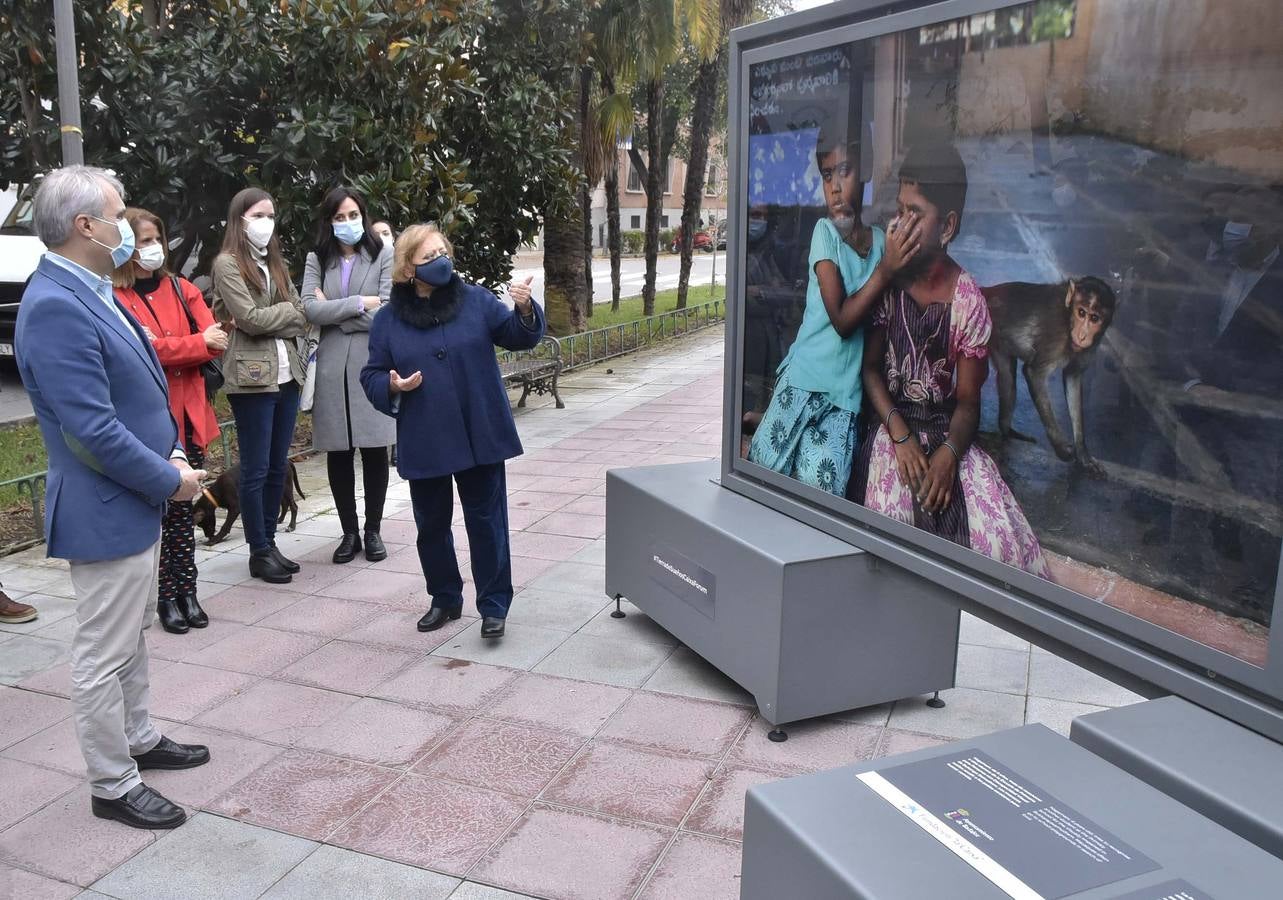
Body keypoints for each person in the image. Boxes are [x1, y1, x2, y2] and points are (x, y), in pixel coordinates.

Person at [15, 166, 209, 830]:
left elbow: (136, 394)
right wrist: (168, 478)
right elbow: (90, 431)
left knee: (132, 637)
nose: (128, 225)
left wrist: (171, 450)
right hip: (106, 504)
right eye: (118, 214)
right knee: (104, 651)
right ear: (85, 226)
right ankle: (112, 780)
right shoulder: (55, 305)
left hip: (131, 494)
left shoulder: (90, 288)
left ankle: (140, 737)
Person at [852, 144, 1049, 578]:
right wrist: (900, 436)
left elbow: (967, 405)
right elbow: (870, 370)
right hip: (894, 427)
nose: (901, 224)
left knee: (994, 544)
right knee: (889, 521)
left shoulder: (968, 303)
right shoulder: (887, 284)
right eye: (899, 211)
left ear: (948, 227)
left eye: (916, 213)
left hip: (945, 435)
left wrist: (949, 453)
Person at [361, 223, 544, 638]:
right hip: (426, 435)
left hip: (480, 432)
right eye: (429, 257)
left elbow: (517, 336)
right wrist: (391, 384)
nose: (440, 261)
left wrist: (526, 309)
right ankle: (444, 598)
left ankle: (494, 604)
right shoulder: (389, 320)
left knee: (487, 521)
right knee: (431, 523)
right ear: (408, 269)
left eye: (443, 252)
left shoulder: (476, 300)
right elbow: (371, 373)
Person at [746, 131, 896, 495]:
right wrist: (886, 271)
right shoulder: (824, 233)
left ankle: (757, 420)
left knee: (821, 485)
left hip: (844, 398)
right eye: (827, 175)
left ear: (865, 173)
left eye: (844, 172)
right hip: (802, 380)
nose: (835, 188)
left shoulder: (880, 244)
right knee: (766, 469)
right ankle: (759, 421)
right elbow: (843, 321)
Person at [114, 207, 226, 633]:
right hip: (149, 422)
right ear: (125, 245)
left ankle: (187, 590)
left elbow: (214, 340)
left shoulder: (181, 288)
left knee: (186, 506)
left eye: (156, 238)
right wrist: (191, 344)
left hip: (189, 415)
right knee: (161, 512)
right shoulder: (116, 296)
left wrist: (179, 345)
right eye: (142, 241)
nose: (152, 248)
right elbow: (140, 353)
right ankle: (165, 596)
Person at [210, 188, 307, 584]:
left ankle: (269, 541)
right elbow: (247, 318)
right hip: (251, 378)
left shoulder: (276, 263)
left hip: (287, 374)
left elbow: (304, 316)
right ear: (240, 219)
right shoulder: (227, 264)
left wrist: (285, 314)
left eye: (271, 214)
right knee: (254, 469)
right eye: (258, 214)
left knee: (274, 466)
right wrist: (287, 312)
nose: (266, 221)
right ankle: (259, 550)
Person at [301, 187, 395, 563]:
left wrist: (335, 311)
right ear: (329, 221)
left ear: (364, 215)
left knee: (374, 450)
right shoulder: (316, 259)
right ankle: (349, 532)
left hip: (371, 366)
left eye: (353, 215)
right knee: (338, 453)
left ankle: (373, 531)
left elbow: (388, 312)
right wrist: (359, 303)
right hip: (330, 369)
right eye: (339, 217)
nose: (347, 223)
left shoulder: (383, 255)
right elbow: (309, 309)